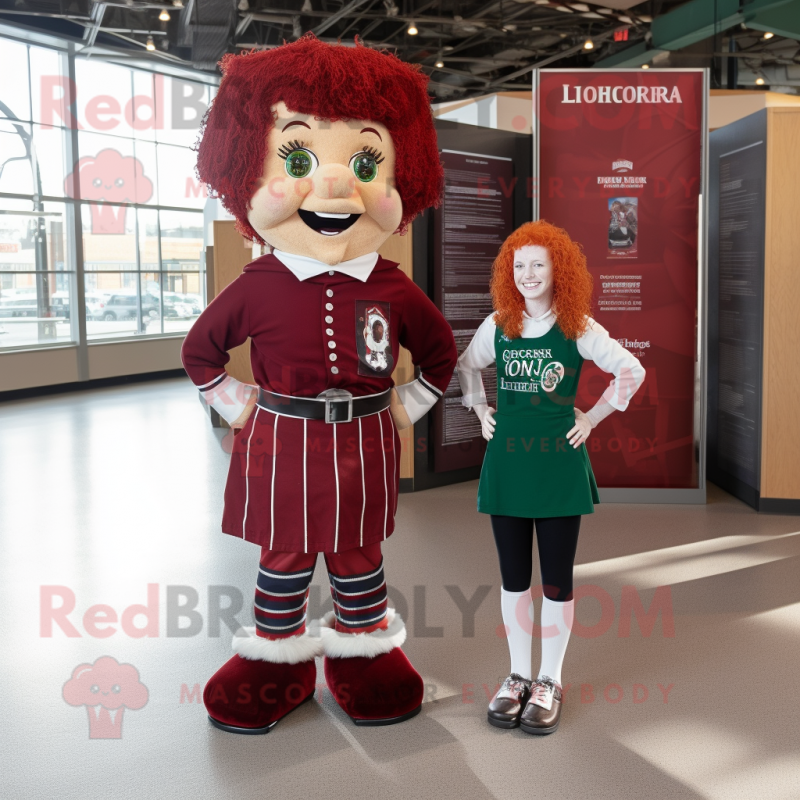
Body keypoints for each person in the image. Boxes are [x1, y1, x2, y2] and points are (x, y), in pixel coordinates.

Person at [181, 35, 457, 734]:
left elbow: (439, 353)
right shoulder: (260, 282)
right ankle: (277, 660)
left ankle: (362, 657)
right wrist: (237, 403)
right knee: (285, 554)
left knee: (360, 553)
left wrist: (406, 408)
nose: (336, 185)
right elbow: (201, 350)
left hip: (364, 440)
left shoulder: (391, 284)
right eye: (297, 160)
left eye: (366, 162)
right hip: (282, 439)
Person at [457, 220, 645, 735]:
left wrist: (592, 417)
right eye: (518, 265)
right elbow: (466, 367)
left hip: (558, 466)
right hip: (509, 464)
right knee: (514, 578)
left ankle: (549, 679)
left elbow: (631, 370)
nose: (528, 274)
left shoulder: (577, 325)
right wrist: (479, 411)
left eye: (538, 263)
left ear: (557, 268)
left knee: (557, 580)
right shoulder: (498, 324)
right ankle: (517, 676)